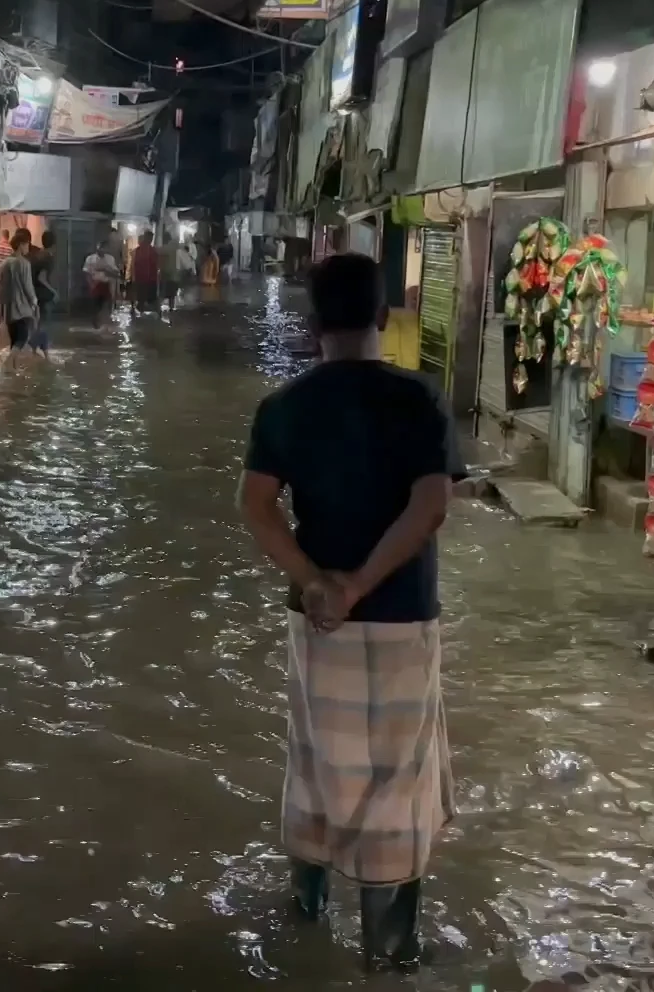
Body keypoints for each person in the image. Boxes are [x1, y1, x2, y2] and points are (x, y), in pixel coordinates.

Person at [237, 253, 461, 969]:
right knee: (395, 783)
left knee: (316, 763)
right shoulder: (419, 399)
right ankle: (387, 956)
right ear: (384, 317)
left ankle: (303, 913)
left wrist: (315, 584)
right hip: (400, 620)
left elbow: (256, 506)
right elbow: (431, 508)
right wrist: (360, 585)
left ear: (312, 325)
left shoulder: (283, 407)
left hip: (318, 625)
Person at [0, 227, 40, 367]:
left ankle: (13, 369)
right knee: (22, 339)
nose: (28, 247)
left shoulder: (5, 263)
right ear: (22, 244)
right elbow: (28, 287)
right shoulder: (23, 263)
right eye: (27, 244)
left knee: (14, 340)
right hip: (22, 309)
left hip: (9, 309)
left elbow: (1, 288)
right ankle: (6, 365)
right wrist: (34, 303)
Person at [30, 230, 58, 359]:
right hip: (43, 294)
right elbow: (42, 278)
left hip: (34, 292)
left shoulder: (37, 255)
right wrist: (53, 291)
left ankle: (35, 349)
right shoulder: (48, 257)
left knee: (38, 321)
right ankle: (45, 353)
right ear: (54, 245)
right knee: (44, 323)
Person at [84, 239, 119, 327]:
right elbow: (86, 273)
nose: (102, 250)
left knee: (106, 305)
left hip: (107, 285)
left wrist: (106, 269)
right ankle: (96, 323)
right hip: (95, 284)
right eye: (100, 248)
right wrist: (91, 284)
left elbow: (116, 273)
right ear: (97, 248)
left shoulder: (110, 259)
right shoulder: (90, 259)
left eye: (104, 248)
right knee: (95, 306)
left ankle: (105, 324)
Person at [130, 231, 160, 316]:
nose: (150, 240)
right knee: (141, 297)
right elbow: (135, 264)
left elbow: (156, 264)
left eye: (151, 238)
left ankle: (141, 314)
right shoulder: (139, 250)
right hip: (142, 278)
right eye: (149, 238)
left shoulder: (152, 250)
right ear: (145, 237)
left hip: (150, 278)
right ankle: (139, 313)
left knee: (147, 298)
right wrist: (133, 276)